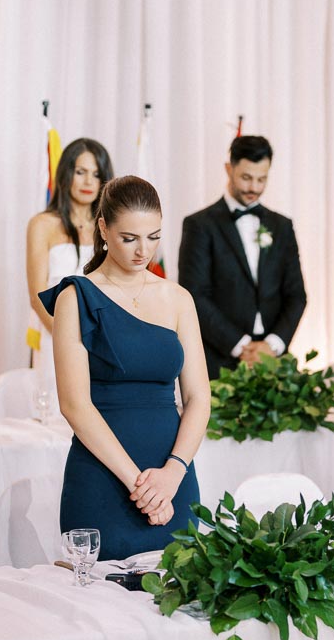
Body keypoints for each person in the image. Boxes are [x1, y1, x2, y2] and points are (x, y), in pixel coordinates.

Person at [39, 176, 207, 561]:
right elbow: (75, 406)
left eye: (153, 237)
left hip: (173, 479)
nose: (142, 251)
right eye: (129, 238)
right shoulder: (74, 297)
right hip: (103, 479)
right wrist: (141, 486)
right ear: (103, 228)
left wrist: (173, 474)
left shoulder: (178, 299)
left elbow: (199, 398)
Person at [177, 135, 307, 378]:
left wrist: (272, 346)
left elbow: (296, 295)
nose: (254, 188)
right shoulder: (199, 225)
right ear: (229, 169)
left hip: (275, 362)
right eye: (246, 178)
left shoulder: (282, 226)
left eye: (262, 179)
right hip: (219, 361)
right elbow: (194, 295)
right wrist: (242, 346)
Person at [25, 138, 113, 384]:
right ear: (66, 174)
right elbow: (37, 296)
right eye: (80, 172)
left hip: (105, 343)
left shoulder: (110, 226)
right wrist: (71, 342)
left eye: (96, 174)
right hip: (55, 337)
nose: (88, 181)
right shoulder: (42, 224)